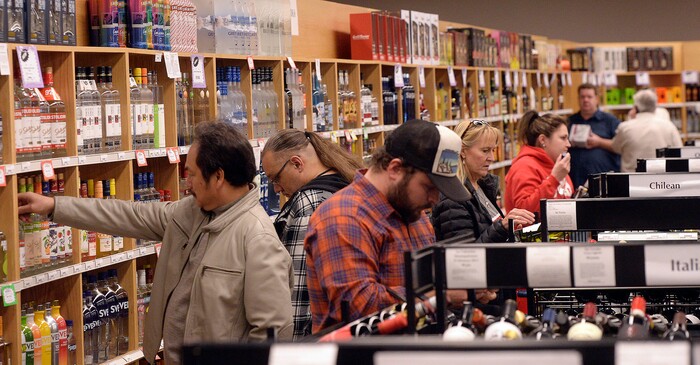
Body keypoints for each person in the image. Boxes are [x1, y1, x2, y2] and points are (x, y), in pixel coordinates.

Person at [18, 122, 293, 365]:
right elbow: (127, 214)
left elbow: (273, 332)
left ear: (218, 177)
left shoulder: (257, 239)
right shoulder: (189, 213)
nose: (187, 183)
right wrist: (54, 206)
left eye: (192, 173)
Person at [304, 120, 471, 333]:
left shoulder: (414, 213)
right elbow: (360, 309)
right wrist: (442, 294)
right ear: (395, 169)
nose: (435, 199)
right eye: (429, 187)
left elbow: (428, 281)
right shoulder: (343, 217)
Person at [261, 129, 362, 339]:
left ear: (297, 163)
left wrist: (293, 352)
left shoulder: (308, 204)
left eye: (275, 178)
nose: (276, 189)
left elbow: (299, 295)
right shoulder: (346, 181)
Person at [432, 119, 535, 242]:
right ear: (463, 151)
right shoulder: (452, 199)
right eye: (485, 151)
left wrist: (510, 230)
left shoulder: (482, 186)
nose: (491, 158)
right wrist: (502, 227)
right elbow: (464, 257)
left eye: (493, 150)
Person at [505, 111, 573, 216]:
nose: (568, 144)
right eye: (563, 138)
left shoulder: (557, 165)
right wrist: (554, 180)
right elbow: (525, 213)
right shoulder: (524, 166)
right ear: (543, 140)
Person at [612, 89, 683, 172]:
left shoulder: (625, 127)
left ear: (636, 107)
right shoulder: (669, 126)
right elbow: (679, 152)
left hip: (632, 180)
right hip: (662, 182)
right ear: (655, 105)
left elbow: (615, 147)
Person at [568, 83, 621, 187]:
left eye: (589, 97)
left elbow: (621, 146)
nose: (586, 100)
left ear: (597, 99)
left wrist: (599, 142)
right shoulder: (570, 121)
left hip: (603, 180)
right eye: (582, 97)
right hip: (576, 179)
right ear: (578, 99)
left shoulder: (610, 121)